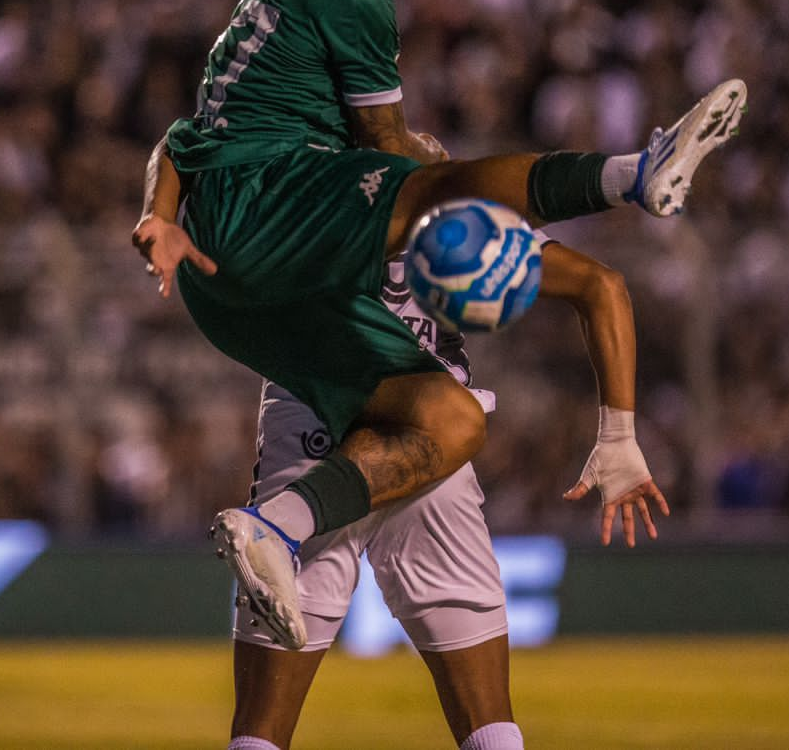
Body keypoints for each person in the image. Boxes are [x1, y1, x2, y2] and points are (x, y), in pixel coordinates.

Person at [133, 0, 742, 651]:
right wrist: (424, 165)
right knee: (442, 190)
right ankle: (635, 172)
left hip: (236, 287)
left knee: (454, 421)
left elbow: (179, 137)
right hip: (264, 213)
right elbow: (394, 152)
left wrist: (158, 219)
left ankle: (270, 527)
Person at [229, 240, 646, 750]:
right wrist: (620, 437)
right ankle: (278, 524)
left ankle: (279, 524)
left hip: (319, 428)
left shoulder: (306, 190)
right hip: (428, 431)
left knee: (261, 730)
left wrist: (160, 214)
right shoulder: (451, 211)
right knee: (488, 723)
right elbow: (599, 282)